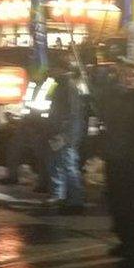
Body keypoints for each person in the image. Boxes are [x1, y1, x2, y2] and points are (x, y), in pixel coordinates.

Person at [101, 60, 134, 259]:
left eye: (133, 75)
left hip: (132, 162)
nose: (129, 79)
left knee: (132, 206)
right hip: (115, 158)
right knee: (117, 203)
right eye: (125, 75)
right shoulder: (117, 97)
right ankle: (124, 240)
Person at [46, 62, 87, 215]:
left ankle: (75, 201)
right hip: (62, 133)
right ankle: (67, 198)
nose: (49, 70)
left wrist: (65, 136)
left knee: (68, 165)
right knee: (62, 164)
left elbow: (72, 114)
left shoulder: (67, 86)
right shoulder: (61, 85)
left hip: (65, 135)